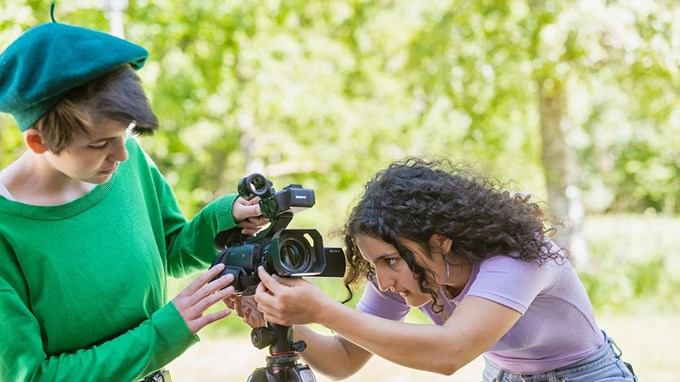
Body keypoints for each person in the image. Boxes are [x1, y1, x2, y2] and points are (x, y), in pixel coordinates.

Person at [0, 16, 266, 382]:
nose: (122, 154)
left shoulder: (128, 162)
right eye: (99, 144)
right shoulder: (6, 228)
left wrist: (225, 218)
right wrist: (161, 333)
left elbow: (171, 248)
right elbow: (32, 375)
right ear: (38, 141)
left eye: (126, 134)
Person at [237, 157, 637, 381]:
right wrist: (288, 319)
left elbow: (451, 354)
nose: (384, 279)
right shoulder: (398, 275)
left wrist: (323, 310)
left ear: (440, 242)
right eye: (376, 264)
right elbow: (343, 361)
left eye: (390, 261)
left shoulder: (516, 258)